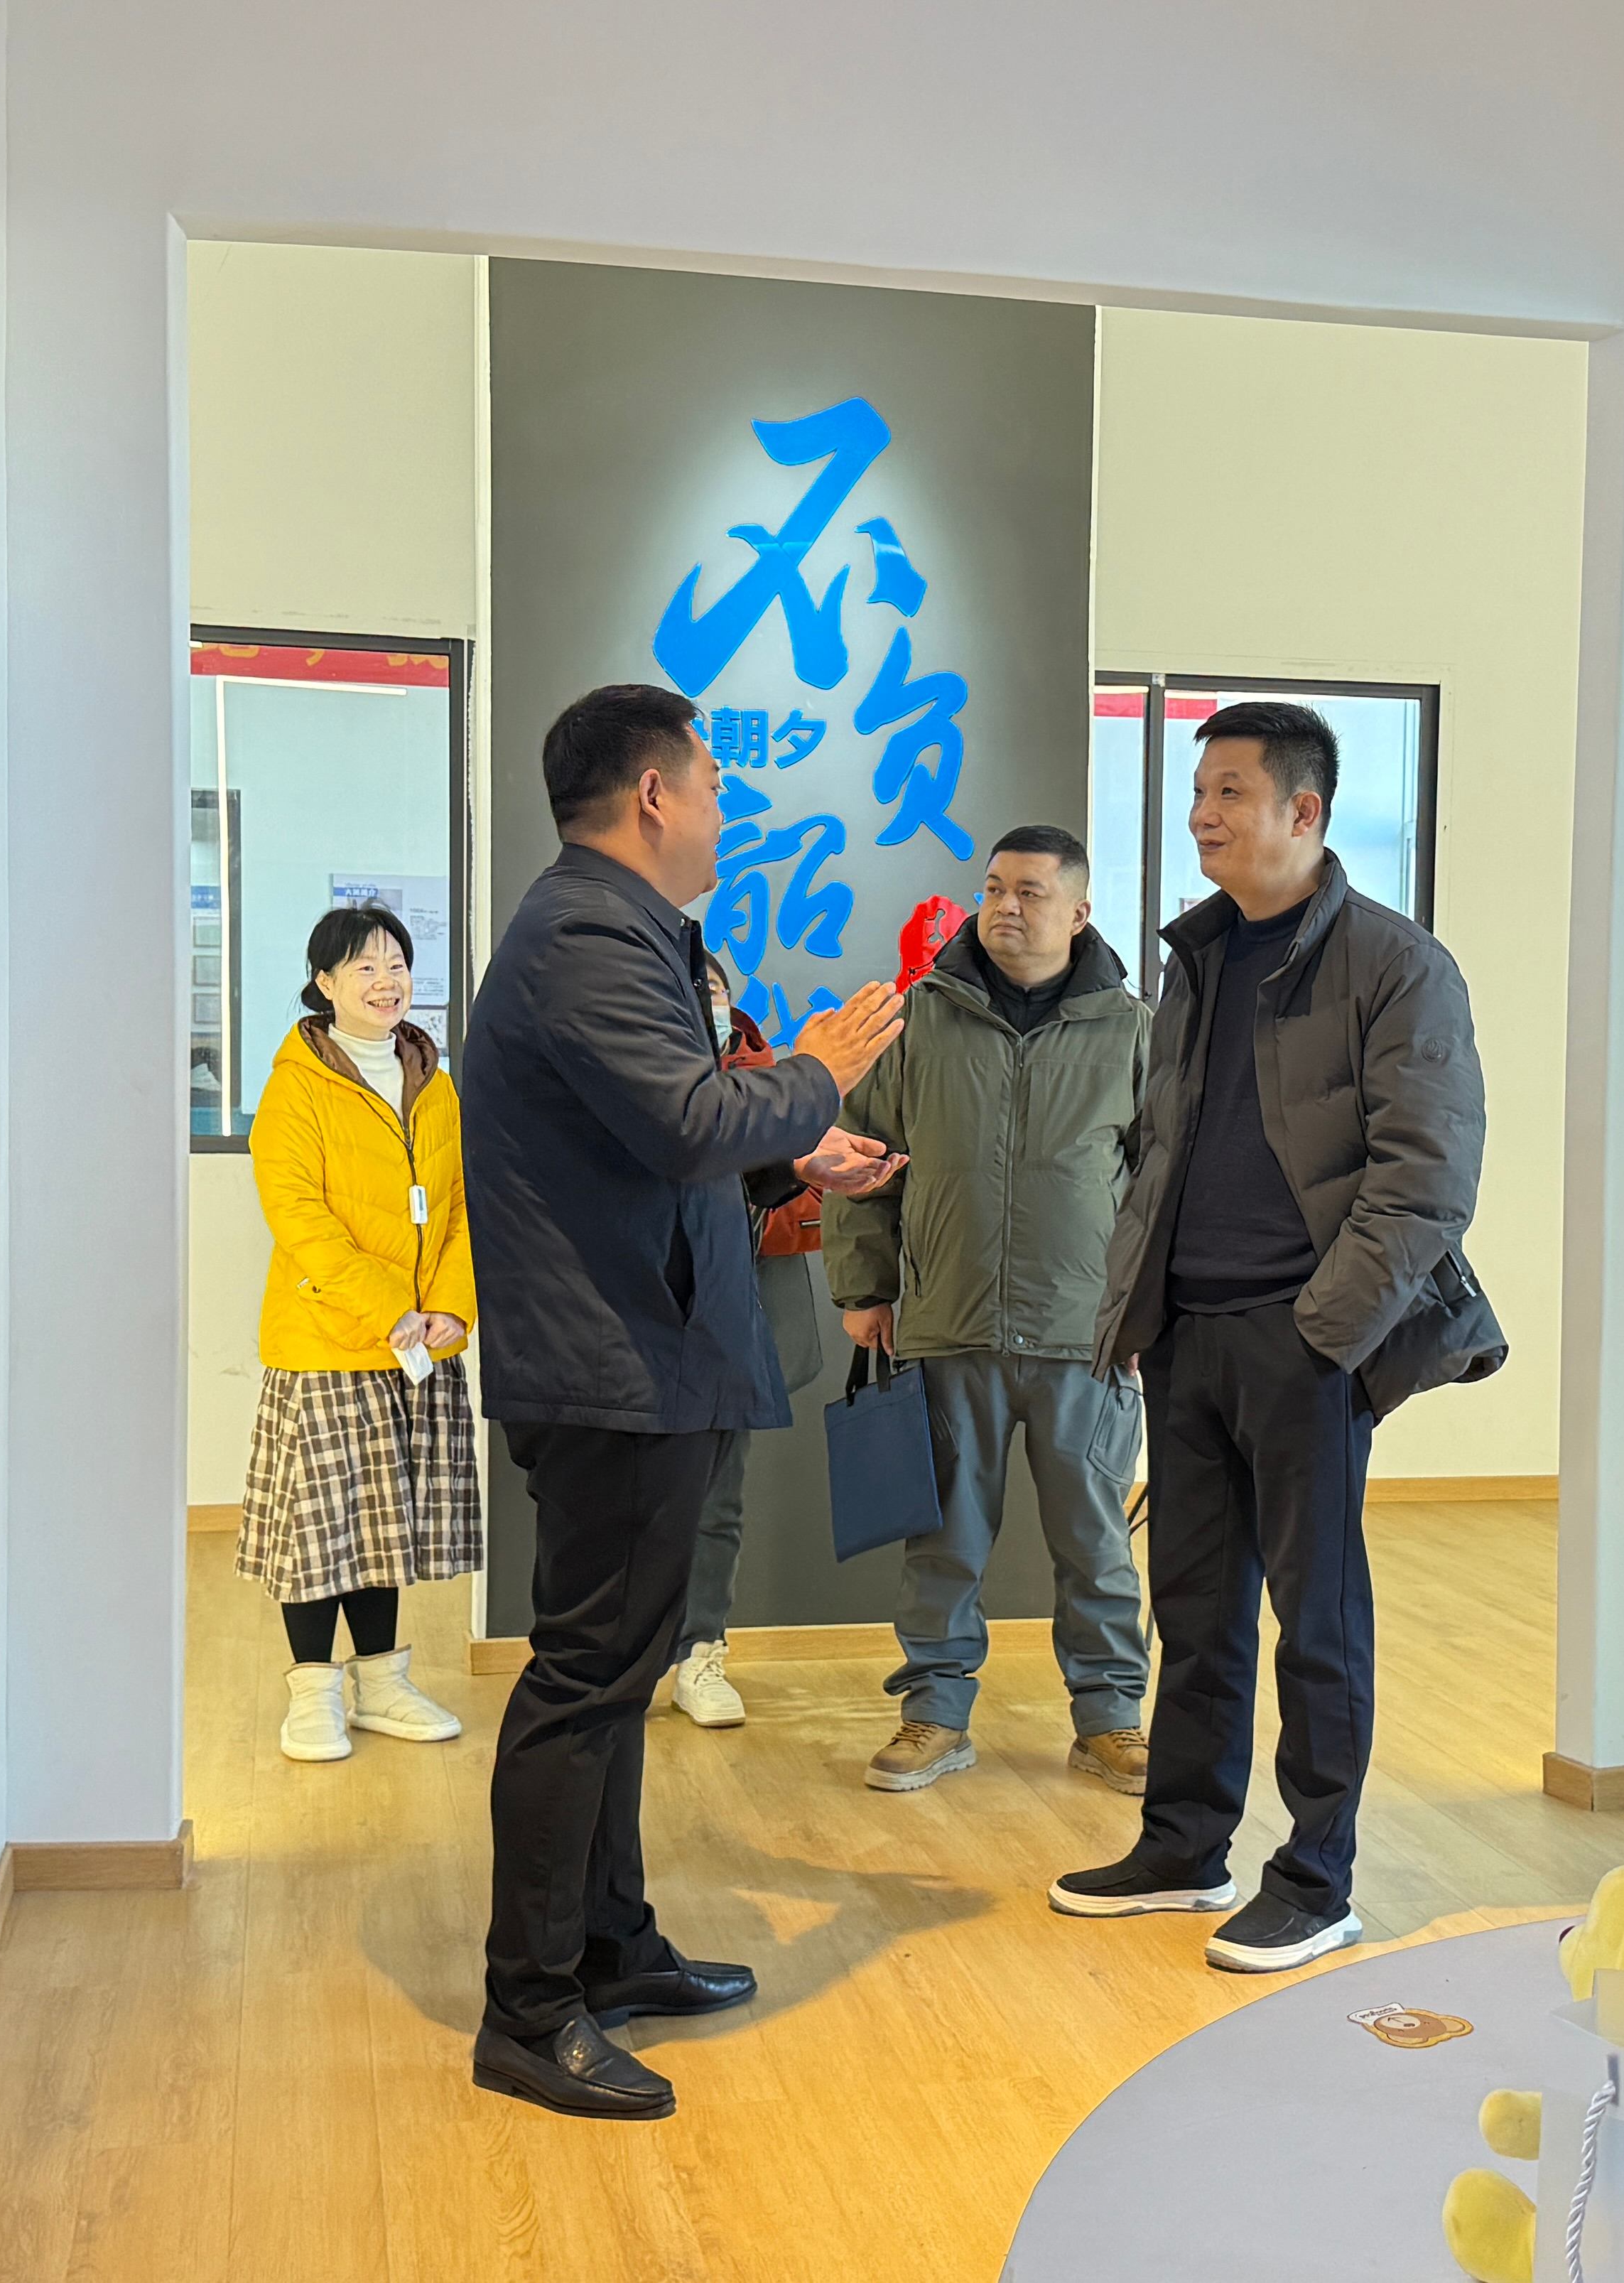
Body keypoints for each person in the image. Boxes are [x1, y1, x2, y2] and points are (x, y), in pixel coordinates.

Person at [459, 683, 907, 2120]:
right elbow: (687, 1117)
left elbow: (661, 1146)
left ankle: (612, 1944)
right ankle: (529, 2010)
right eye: (712, 782)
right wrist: (819, 1070)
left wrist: (795, 1156)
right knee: (584, 1680)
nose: (723, 806)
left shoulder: (628, 928)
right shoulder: (586, 933)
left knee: (617, 1675)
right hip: (610, 1367)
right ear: (654, 792)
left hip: (641, 1355)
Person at [1061, 700, 1502, 1975]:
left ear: (1304, 811)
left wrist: (1326, 1332)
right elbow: (1156, 1150)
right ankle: (1182, 1845)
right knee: (1194, 1609)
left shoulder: (1396, 962)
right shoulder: (1198, 956)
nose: (1202, 814)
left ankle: (1317, 1876)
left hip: (1307, 1338)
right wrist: (1135, 1305)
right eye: (1199, 791)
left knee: (1317, 1618)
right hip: (1186, 1332)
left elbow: (1426, 1176)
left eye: (1229, 793)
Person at [827, 824, 1157, 1794]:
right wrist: (864, 1288)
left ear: (1080, 911)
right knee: (945, 1543)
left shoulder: (1133, 1030)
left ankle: (1111, 1720)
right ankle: (934, 1714)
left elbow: (1164, 1185)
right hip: (948, 1322)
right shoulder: (922, 1021)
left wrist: (1152, 1308)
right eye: (994, 888)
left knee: (1096, 1542)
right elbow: (860, 1154)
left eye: (1031, 892)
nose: (1006, 907)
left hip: (1085, 1336)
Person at [236, 902, 478, 1764]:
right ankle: (313, 1693)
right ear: (325, 983)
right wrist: (388, 1307)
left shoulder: (435, 1084)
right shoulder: (296, 1085)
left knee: (383, 1526)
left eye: (397, 965)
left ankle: (381, 1685)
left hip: (414, 1344)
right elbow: (299, 1217)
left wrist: (452, 1308)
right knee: (319, 1531)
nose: (386, 982)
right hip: (327, 1341)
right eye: (365, 967)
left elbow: (460, 1206)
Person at [658, 953, 833, 1732]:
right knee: (633, 1495)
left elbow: (799, 1193)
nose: (708, 1003)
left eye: (716, 990)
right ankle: (631, 1654)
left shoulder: (771, 1082)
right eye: (693, 990)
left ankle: (702, 1650)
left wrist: (790, 1171)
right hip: (647, 1312)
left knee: (719, 1494)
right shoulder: (639, 1078)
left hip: (739, 1305)